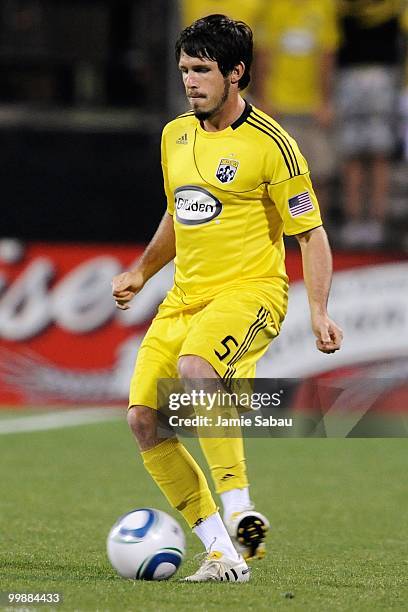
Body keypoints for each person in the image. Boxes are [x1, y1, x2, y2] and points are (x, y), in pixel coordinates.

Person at [112, 14, 343, 583]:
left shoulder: (274, 146)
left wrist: (317, 309)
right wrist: (143, 271)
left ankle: (240, 510)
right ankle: (221, 553)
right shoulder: (175, 135)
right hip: (184, 297)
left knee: (196, 367)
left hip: (251, 292)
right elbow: (179, 210)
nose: (190, 82)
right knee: (144, 419)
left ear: (236, 72)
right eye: (185, 70)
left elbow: (310, 233)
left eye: (203, 71)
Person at [253, 0, 339, 214]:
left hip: (312, 109)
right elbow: (263, 55)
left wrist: (326, 102)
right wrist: (264, 99)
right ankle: (279, 235)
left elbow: (327, 56)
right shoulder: (273, 7)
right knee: (276, 177)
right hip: (279, 108)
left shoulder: (324, 7)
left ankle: (316, 235)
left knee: (318, 175)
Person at [336, 0, 408, 247]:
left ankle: (376, 221)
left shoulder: (395, 7)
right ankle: (354, 220)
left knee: (379, 154)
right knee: (352, 155)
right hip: (349, 80)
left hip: (383, 79)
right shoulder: (342, 7)